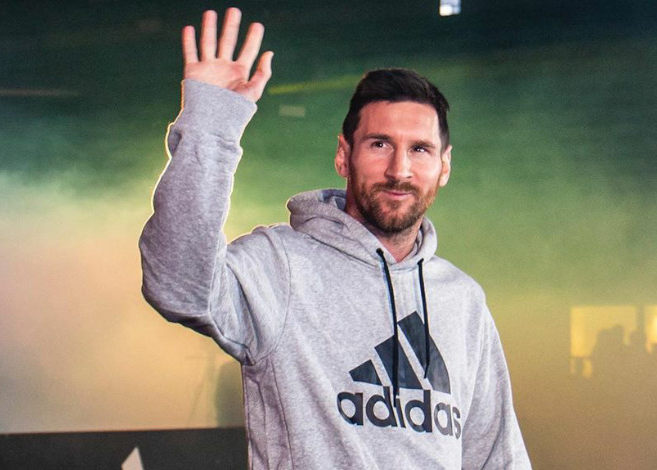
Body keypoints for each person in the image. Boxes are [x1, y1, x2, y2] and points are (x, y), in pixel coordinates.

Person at [139, 7, 531, 469]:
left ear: (444, 166)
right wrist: (211, 123)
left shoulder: (462, 300)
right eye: (380, 144)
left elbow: (496, 457)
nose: (400, 170)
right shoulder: (282, 265)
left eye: (420, 149)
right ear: (344, 156)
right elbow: (176, 286)